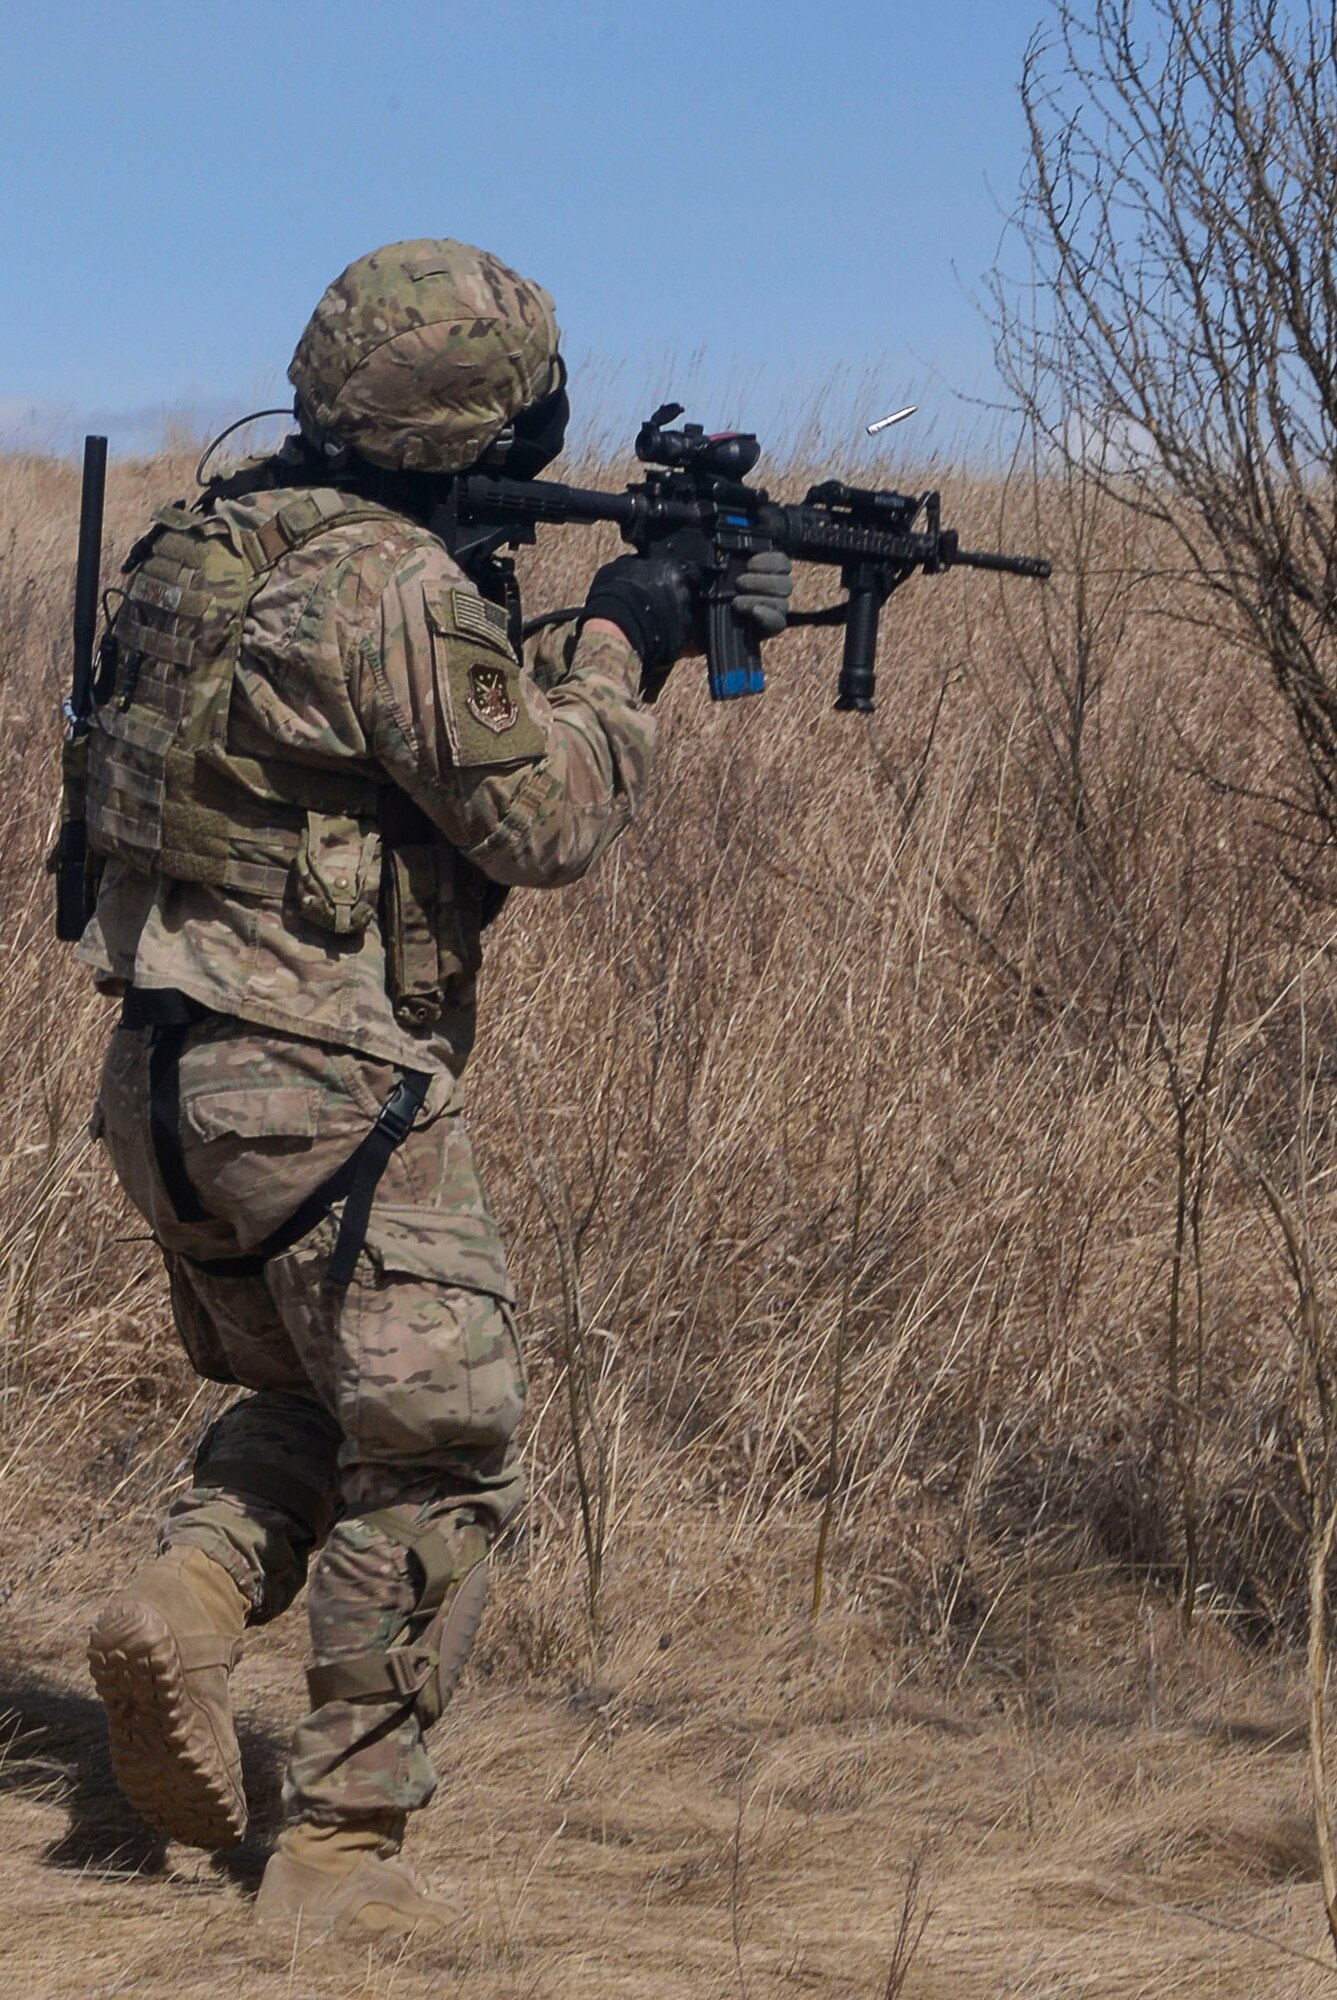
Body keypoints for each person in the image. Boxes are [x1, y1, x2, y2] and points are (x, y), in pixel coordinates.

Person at [76, 238, 790, 1936]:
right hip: (332, 1099)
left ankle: (183, 1603)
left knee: (321, 1409)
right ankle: (338, 1862)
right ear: (489, 418)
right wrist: (624, 642)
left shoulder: (212, 542)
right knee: (449, 1453)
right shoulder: (385, 588)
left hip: (168, 1084)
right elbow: (541, 824)